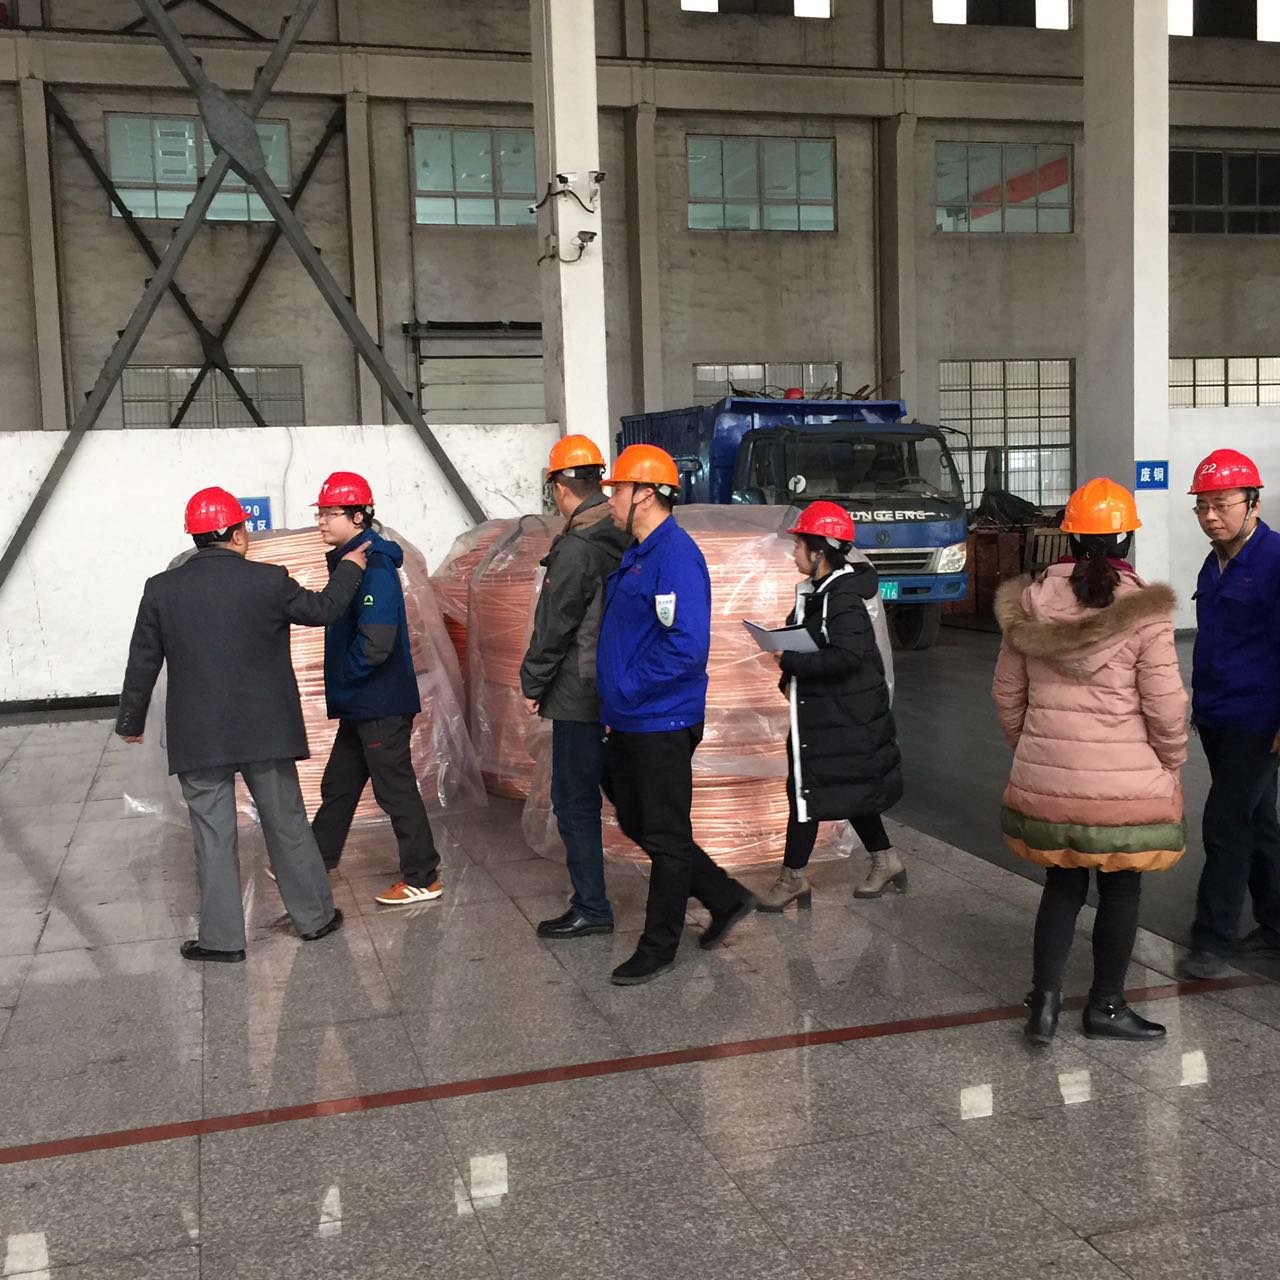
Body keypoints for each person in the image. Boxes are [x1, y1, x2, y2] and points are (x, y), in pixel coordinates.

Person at [116, 486, 369, 962]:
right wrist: (351, 568)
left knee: (212, 833)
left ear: (195, 537)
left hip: (199, 734)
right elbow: (324, 610)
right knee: (287, 823)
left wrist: (131, 720)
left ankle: (221, 941)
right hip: (265, 731)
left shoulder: (161, 589)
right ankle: (315, 919)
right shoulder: (268, 580)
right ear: (236, 534)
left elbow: (143, 659)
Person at [993, 478, 1187, 1042]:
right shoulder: (1146, 614)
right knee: (1121, 888)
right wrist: (1170, 762)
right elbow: (1166, 707)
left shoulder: (1029, 605)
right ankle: (1106, 1007)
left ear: (1070, 538)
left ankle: (1044, 1006)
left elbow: (1007, 695)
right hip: (1126, 787)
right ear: (1127, 539)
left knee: (1063, 884)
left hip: (1048, 778)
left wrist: (1033, 750)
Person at [596, 444, 756, 985]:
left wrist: (626, 686)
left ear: (645, 494)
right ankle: (724, 895)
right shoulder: (639, 553)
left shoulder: (676, 556)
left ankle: (658, 945)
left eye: (617, 489)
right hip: (629, 717)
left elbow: (686, 646)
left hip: (660, 719)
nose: (610, 500)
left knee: (664, 834)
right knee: (635, 818)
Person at [757, 502, 903, 912]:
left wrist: (791, 661)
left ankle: (791, 879)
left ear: (819, 551)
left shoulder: (842, 599)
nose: (793, 552)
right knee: (845, 790)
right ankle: (886, 859)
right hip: (828, 715)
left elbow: (849, 655)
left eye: (798, 545)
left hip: (841, 718)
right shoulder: (819, 592)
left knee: (806, 794)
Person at [309, 471, 443, 907]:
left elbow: (376, 642)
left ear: (358, 516)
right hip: (361, 701)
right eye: (320, 513)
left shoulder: (376, 566)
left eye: (330, 513)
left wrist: (346, 677)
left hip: (378, 700)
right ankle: (314, 859)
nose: (321, 521)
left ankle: (423, 876)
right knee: (340, 783)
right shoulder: (351, 561)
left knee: (395, 788)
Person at [520, 435, 633, 938]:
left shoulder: (577, 547)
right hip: (615, 686)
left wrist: (532, 682)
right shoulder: (622, 532)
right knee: (634, 802)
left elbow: (555, 625)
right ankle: (712, 889)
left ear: (559, 488)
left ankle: (592, 906)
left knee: (573, 802)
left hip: (577, 695)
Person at [1178, 449, 1280, 978]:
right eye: (1203, 506)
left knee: (1225, 822)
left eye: (1222, 504)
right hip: (1217, 713)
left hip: (1257, 717)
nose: (1211, 516)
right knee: (1259, 821)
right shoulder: (1214, 561)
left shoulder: (1275, 560)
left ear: (1253, 503)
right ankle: (1275, 926)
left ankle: (1212, 940)